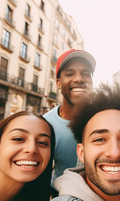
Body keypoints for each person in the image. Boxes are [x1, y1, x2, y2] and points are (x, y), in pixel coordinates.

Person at [44, 49, 96, 187]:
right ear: (58, 82)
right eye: (70, 73)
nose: (79, 79)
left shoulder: (104, 117)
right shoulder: (45, 125)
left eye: (86, 74)